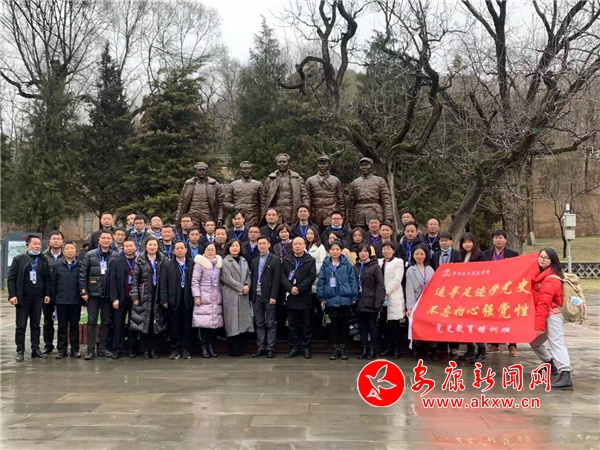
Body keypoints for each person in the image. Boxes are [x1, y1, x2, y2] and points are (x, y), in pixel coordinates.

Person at [530, 248, 573, 390]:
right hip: (547, 316)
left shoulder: (550, 279)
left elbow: (544, 304)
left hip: (553, 316)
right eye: (540, 257)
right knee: (534, 341)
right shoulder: (541, 276)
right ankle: (550, 363)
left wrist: (540, 326)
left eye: (546, 258)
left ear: (552, 261)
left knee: (556, 343)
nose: (542, 260)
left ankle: (565, 374)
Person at [8, 235, 51, 361]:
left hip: (38, 298)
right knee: (21, 325)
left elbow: (47, 278)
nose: (37, 246)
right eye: (35, 244)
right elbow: (11, 278)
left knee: (36, 325)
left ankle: (35, 349)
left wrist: (47, 294)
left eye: (39, 244)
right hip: (23, 298)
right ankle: (20, 350)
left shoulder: (43, 259)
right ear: (28, 245)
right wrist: (12, 295)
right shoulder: (19, 259)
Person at [79, 230, 120, 359]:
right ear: (99, 240)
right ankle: (90, 350)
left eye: (108, 238)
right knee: (91, 321)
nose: (106, 240)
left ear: (112, 240)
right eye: (104, 238)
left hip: (108, 295)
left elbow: (118, 276)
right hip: (93, 294)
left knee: (106, 322)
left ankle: (102, 348)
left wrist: (115, 295)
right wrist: (84, 291)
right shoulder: (90, 255)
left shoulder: (116, 255)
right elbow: (83, 274)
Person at [317, 240, 358, 360]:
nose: (335, 252)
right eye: (332, 249)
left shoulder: (347, 264)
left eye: (337, 249)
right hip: (331, 298)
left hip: (345, 298)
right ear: (329, 251)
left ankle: (343, 348)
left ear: (341, 251)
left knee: (344, 324)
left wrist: (354, 296)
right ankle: (335, 348)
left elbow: (352, 280)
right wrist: (321, 297)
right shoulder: (326, 265)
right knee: (334, 325)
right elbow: (321, 281)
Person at [484, 230, 520, 357]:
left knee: (509, 317)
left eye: (500, 238)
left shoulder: (513, 254)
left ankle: (512, 345)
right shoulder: (486, 254)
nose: (498, 240)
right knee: (492, 316)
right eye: (496, 238)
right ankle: (494, 344)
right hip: (491, 291)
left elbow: (518, 270)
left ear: (505, 240)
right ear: (493, 240)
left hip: (507, 290)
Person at [130, 237, 166, 359]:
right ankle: (145, 349)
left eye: (154, 245)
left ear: (158, 246)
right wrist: (135, 296)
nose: (152, 247)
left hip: (157, 295)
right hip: (144, 295)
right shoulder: (139, 260)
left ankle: (154, 349)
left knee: (156, 323)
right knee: (145, 324)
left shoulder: (163, 260)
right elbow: (135, 280)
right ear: (146, 246)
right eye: (150, 245)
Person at [281, 237, 317, 359]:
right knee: (292, 325)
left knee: (306, 325)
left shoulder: (310, 260)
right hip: (290, 297)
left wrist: (299, 288)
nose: (297, 246)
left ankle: (306, 347)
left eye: (300, 244)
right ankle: (294, 347)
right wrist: (290, 288)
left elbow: (311, 276)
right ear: (292, 246)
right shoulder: (286, 259)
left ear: (304, 245)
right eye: (295, 244)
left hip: (304, 296)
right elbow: (282, 276)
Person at [160, 241, 195, 360]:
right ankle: (175, 348)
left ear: (186, 250)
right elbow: (163, 283)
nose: (180, 250)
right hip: (173, 298)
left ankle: (185, 348)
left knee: (186, 324)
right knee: (174, 324)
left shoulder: (192, 263)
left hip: (187, 298)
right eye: (177, 249)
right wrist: (164, 299)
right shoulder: (167, 265)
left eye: (182, 248)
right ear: (174, 251)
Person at [431, 232, 462, 359]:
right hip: (439, 292)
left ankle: (454, 346)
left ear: (451, 241)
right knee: (440, 318)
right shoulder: (435, 255)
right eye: (442, 240)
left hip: (454, 291)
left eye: (446, 240)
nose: (444, 242)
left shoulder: (458, 254)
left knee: (453, 319)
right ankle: (441, 345)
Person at [221, 239, 253, 357]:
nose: (235, 248)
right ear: (228, 248)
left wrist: (247, 285)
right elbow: (227, 278)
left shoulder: (243, 260)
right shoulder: (225, 261)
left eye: (237, 246)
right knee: (233, 323)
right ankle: (233, 350)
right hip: (231, 295)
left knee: (243, 322)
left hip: (244, 295)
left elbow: (249, 274)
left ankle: (242, 348)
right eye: (232, 246)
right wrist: (241, 287)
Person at [405, 244, 437, 360]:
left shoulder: (430, 269)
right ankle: (417, 348)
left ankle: (432, 349)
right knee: (417, 325)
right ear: (413, 256)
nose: (419, 256)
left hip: (429, 302)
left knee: (430, 325)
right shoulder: (410, 270)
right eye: (417, 254)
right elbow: (409, 289)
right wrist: (410, 307)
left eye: (422, 254)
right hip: (416, 302)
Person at [250, 237, 281, 358]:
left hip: (269, 296)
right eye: (260, 244)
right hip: (256, 295)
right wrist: (252, 296)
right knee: (259, 322)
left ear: (269, 245)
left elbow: (276, 279)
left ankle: (270, 347)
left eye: (264, 243)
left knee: (271, 322)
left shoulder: (275, 259)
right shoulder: (254, 260)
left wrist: (274, 296)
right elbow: (253, 278)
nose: (262, 246)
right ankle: (261, 346)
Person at [191, 243, 224, 358]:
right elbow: (195, 281)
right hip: (203, 296)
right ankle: (203, 347)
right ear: (204, 251)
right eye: (208, 249)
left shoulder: (218, 264)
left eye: (212, 250)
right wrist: (197, 296)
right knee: (202, 324)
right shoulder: (199, 264)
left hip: (216, 296)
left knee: (213, 325)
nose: (210, 252)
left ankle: (211, 346)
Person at [354, 243, 385, 360]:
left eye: (365, 251)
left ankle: (372, 349)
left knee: (372, 326)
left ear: (369, 253)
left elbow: (380, 285)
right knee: (362, 326)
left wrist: (378, 302)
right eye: (361, 251)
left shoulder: (375, 267)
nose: (363, 253)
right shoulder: (355, 267)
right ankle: (364, 348)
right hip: (360, 301)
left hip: (372, 301)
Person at [51, 241, 82, 359]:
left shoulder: (81, 265)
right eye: (67, 249)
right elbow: (53, 284)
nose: (70, 251)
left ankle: (75, 349)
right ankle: (61, 350)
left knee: (74, 326)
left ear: (76, 251)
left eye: (72, 248)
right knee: (62, 326)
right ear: (63, 251)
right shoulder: (57, 266)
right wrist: (53, 299)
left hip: (75, 301)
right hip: (61, 301)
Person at [459, 232, 486, 363]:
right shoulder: (462, 256)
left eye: (469, 242)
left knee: (478, 322)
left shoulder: (481, 256)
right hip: (465, 295)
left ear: (474, 243)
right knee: (466, 322)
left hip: (477, 295)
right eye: (464, 242)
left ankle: (482, 351)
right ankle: (470, 349)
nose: (467, 244)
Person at [108, 238, 138, 359]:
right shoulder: (116, 262)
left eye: (131, 246)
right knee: (118, 324)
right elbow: (112, 281)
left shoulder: (139, 261)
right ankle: (117, 348)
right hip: (121, 298)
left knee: (133, 325)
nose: (129, 248)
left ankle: (131, 348)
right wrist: (114, 298)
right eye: (127, 246)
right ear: (123, 248)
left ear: (135, 247)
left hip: (135, 298)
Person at [262, 153, 309, 225]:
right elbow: (264, 198)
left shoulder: (297, 178)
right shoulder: (270, 179)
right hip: (275, 215)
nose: (282, 164)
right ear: (276, 163)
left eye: (284, 162)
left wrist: (305, 211)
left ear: (288, 163)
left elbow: (304, 196)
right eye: (279, 162)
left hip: (292, 213)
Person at [176, 161, 224, 231]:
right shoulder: (188, 184)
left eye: (203, 170)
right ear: (196, 171)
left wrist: (220, 218)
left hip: (208, 219)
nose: (201, 172)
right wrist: (178, 218)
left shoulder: (214, 184)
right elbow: (182, 202)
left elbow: (221, 203)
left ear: (207, 171)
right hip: (192, 219)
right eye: (199, 170)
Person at [348, 157, 393, 227]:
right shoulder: (355, 182)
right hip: (359, 216)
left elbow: (386, 200)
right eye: (362, 165)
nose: (364, 167)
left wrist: (388, 218)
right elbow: (351, 203)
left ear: (371, 166)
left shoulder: (380, 181)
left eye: (366, 165)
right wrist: (350, 219)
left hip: (376, 214)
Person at [378, 241, 405, 359]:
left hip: (393, 296)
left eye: (388, 249)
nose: (386, 251)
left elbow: (397, 279)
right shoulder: (379, 262)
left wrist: (386, 292)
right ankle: (387, 348)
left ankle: (397, 349)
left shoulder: (398, 262)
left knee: (395, 325)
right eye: (384, 249)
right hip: (381, 298)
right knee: (384, 324)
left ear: (393, 250)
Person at [305, 155, 346, 230]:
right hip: (315, 214)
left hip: (331, 214)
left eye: (325, 164)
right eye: (320, 164)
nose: (322, 166)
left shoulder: (336, 180)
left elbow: (341, 200)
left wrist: (342, 216)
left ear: (329, 165)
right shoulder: (310, 180)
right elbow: (307, 199)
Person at [42, 230, 64, 354]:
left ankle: (62, 346)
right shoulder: (43, 257)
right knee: (47, 320)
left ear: (62, 241)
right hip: (47, 293)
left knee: (63, 321)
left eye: (58, 239)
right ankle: (48, 344)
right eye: (54, 239)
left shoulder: (66, 255)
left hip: (62, 292)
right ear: (49, 241)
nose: (56, 241)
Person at [223, 161, 264, 227]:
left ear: (251, 170)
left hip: (253, 218)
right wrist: (234, 207)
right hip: (237, 217)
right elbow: (225, 203)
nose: (246, 171)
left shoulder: (258, 185)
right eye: (244, 169)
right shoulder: (233, 185)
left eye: (248, 168)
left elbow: (263, 203)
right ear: (240, 170)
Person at [306, 226, 327, 340]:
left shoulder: (320, 247)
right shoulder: (305, 247)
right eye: (308, 234)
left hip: (316, 282)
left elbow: (321, 264)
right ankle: (310, 332)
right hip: (306, 284)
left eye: (311, 234)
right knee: (308, 310)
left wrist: (311, 273)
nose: (309, 236)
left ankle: (318, 332)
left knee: (318, 309)